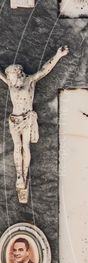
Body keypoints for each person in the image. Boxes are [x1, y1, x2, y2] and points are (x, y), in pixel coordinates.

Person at [0, 45, 69, 202]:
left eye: (11, 76)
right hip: (14, 119)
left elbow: (44, 70)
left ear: (18, 74)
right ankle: (19, 175)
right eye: (8, 77)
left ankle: (24, 173)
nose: (10, 80)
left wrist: (58, 55)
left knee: (25, 146)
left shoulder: (30, 81)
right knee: (17, 147)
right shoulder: (11, 84)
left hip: (26, 119)